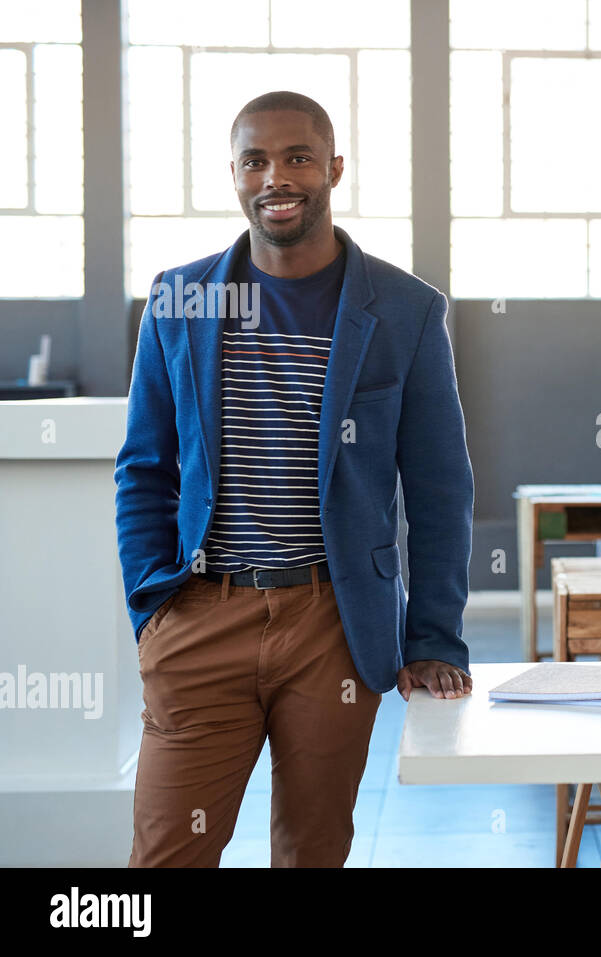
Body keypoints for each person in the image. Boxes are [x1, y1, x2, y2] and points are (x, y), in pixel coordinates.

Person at [114, 90, 474, 867]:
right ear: (236, 176)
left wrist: (434, 635)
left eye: (298, 157)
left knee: (312, 849)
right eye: (256, 160)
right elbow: (145, 467)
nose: (277, 176)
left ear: (334, 168)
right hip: (200, 613)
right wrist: (152, 603)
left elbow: (441, 489)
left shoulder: (406, 310)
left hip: (333, 625)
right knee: (167, 852)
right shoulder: (182, 299)